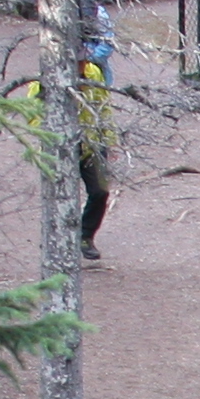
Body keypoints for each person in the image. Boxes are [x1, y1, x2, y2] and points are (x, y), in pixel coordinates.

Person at [74, 13, 118, 260]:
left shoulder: (93, 72)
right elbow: (35, 116)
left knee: (100, 190)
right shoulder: (45, 79)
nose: (81, 66)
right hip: (63, 145)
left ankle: (86, 235)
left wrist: (109, 140)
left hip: (92, 142)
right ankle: (61, 237)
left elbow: (104, 108)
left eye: (82, 60)